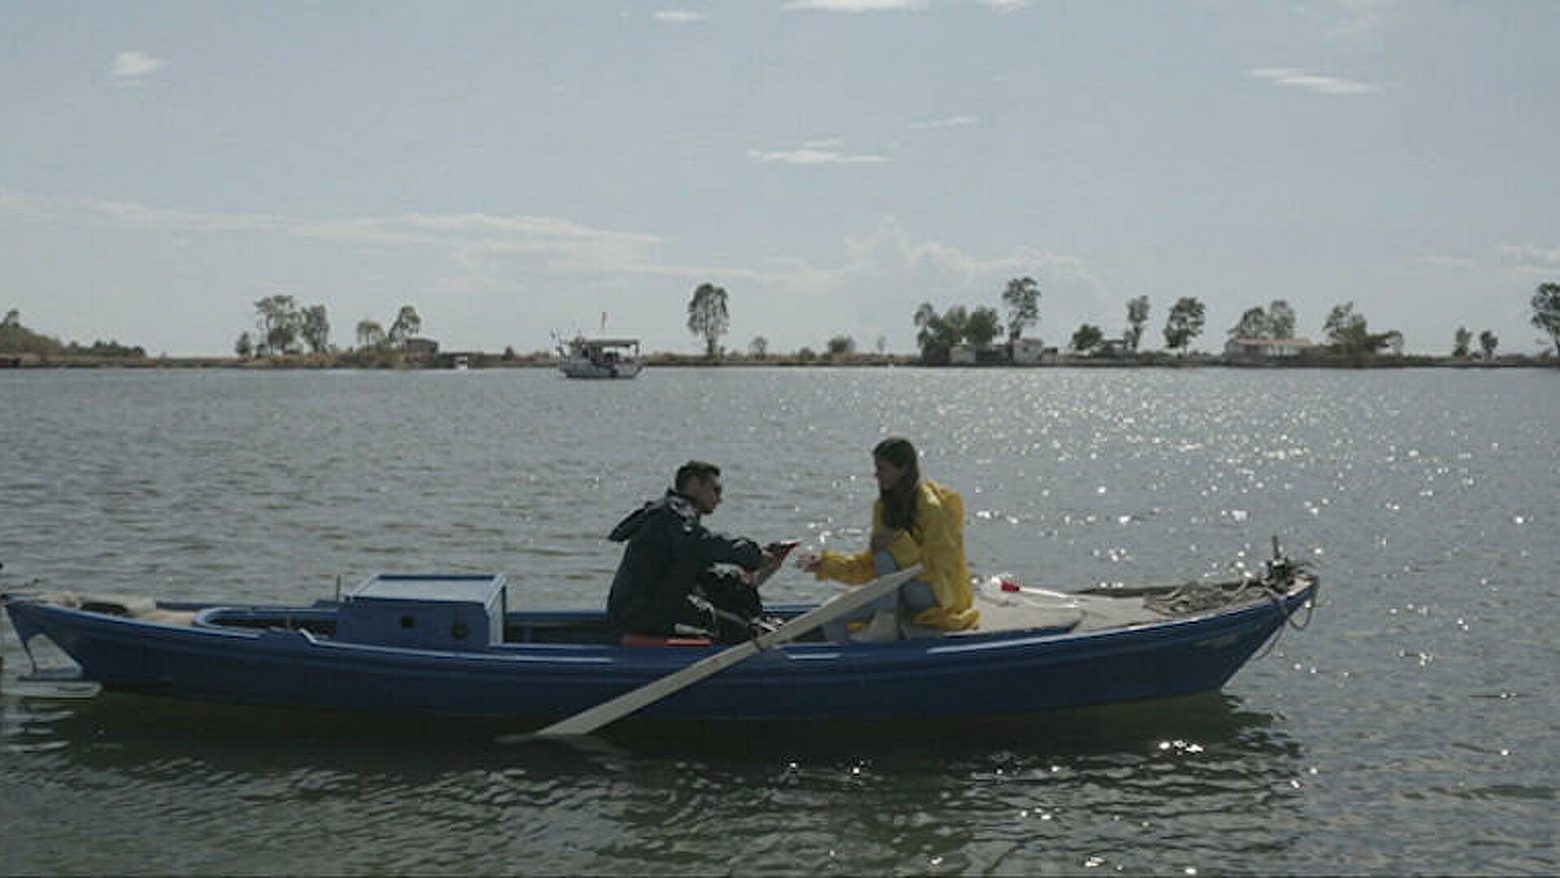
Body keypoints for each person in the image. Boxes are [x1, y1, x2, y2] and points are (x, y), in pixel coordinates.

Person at [797, 437, 979, 640]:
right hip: (894, 592)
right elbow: (870, 567)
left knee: (886, 554)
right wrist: (825, 564)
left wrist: (900, 542)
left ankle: (885, 621)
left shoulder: (931, 508)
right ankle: (850, 666)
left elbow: (939, 568)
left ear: (903, 469)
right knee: (831, 615)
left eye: (882, 469)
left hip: (930, 594)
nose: (875, 475)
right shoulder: (883, 506)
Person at [606, 460, 782, 643]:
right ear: (695, 485)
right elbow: (705, 544)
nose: (720, 499)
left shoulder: (673, 518)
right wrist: (753, 555)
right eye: (716, 490)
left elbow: (701, 571)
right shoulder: (674, 514)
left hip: (649, 607)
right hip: (643, 615)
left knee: (733, 600)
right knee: (735, 630)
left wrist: (743, 581)